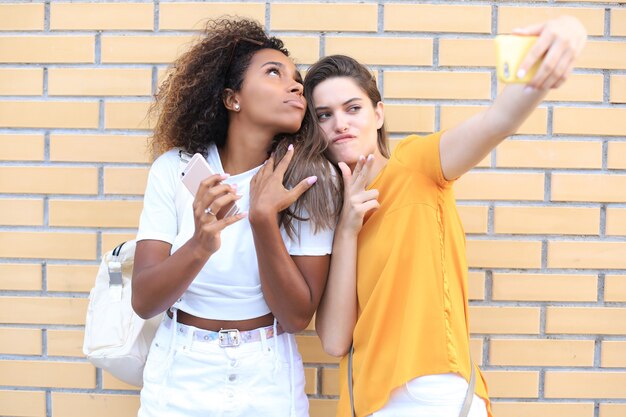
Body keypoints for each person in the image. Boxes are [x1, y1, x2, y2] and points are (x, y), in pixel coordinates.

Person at [307, 16, 587, 417]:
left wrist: (565, 34)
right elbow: (335, 341)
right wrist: (348, 228)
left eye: (353, 108)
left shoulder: (416, 166)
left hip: (432, 394)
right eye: (324, 115)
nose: (340, 124)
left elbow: (498, 121)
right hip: (365, 403)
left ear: (379, 114)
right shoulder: (333, 215)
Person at [131, 18, 338, 417]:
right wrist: (200, 244)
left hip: (267, 375)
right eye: (274, 73)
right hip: (180, 374)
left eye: (297, 79)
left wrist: (263, 219)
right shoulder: (175, 169)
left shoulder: (310, 178)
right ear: (232, 99)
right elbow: (144, 300)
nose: (296, 86)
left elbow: (296, 316)